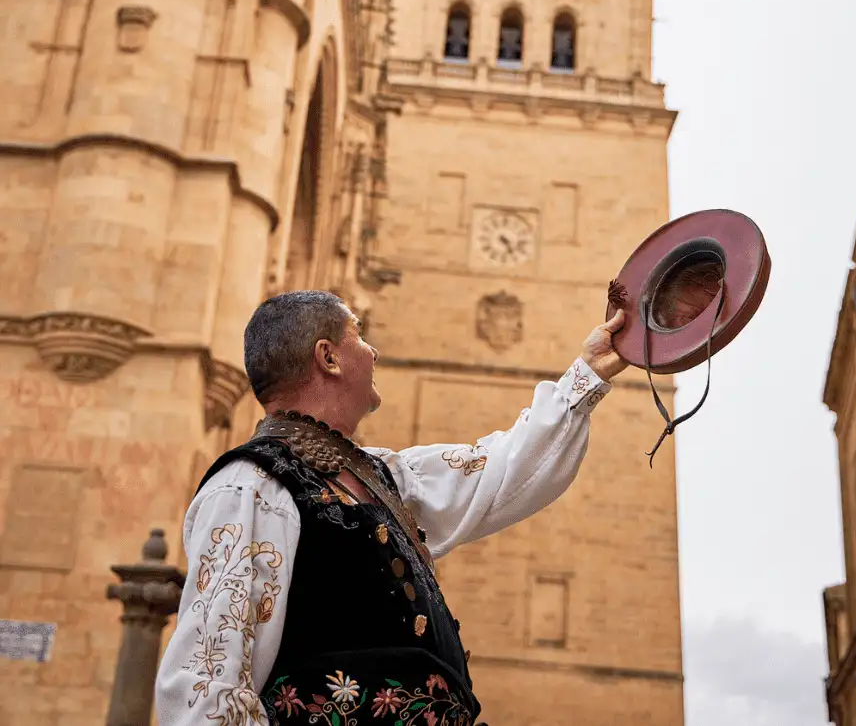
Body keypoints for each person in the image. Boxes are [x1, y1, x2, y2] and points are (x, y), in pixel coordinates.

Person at [155, 290, 628, 726]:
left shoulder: (382, 476)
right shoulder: (249, 488)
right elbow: (205, 684)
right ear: (329, 357)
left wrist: (587, 374)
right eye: (359, 336)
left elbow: (500, 471)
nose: (373, 352)